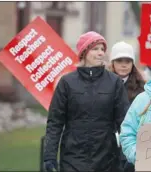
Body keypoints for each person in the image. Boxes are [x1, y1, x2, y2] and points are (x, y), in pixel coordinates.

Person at [43, 31, 130, 172]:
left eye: (102, 49)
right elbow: (55, 122)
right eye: (95, 49)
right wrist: (49, 155)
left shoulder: (114, 82)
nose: (101, 53)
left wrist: (126, 154)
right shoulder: (67, 82)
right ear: (84, 52)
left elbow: (125, 122)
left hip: (106, 157)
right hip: (72, 156)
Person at [109, 41, 146, 172]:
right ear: (112, 62)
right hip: (107, 144)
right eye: (119, 60)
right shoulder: (102, 84)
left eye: (128, 61)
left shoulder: (142, 88)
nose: (124, 65)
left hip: (132, 145)